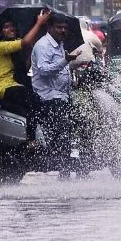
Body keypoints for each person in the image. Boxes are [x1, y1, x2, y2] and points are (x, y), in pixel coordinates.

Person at [0, 9, 50, 142]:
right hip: (6, 87)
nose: (11, 29)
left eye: (12, 26)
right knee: (34, 103)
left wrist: (31, 50)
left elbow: (25, 68)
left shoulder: (12, 50)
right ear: (0, 32)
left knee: (39, 105)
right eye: (6, 27)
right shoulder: (0, 47)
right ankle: (31, 141)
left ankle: (39, 139)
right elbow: (25, 42)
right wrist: (38, 23)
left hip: (15, 85)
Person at [31, 15, 81, 172]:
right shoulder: (43, 46)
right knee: (62, 133)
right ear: (49, 28)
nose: (63, 30)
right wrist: (65, 61)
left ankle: (65, 165)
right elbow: (44, 71)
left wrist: (71, 82)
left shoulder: (59, 44)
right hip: (48, 97)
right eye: (59, 27)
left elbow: (59, 70)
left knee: (71, 128)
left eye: (65, 28)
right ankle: (61, 167)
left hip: (61, 95)